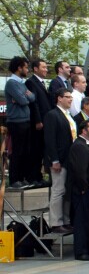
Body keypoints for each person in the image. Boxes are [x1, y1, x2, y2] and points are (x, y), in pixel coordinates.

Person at [68, 120, 89, 260]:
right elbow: (80, 170)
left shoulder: (88, 145)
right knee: (82, 221)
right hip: (83, 190)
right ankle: (81, 251)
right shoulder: (79, 146)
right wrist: (84, 187)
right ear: (84, 130)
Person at [44, 88, 77, 232]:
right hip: (59, 160)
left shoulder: (68, 115)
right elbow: (50, 139)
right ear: (59, 98)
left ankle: (66, 220)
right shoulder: (52, 115)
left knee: (67, 191)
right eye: (67, 97)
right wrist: (54, 160)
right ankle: (56, 222)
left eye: (71, 97)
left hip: (70, 159)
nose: (70, 99)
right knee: (58, 190)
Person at [5, 56, 36, 188]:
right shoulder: (11, 83)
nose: (27, 70)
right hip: (16, 122)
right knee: (17, 151)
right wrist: (24, 96)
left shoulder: (21, 83)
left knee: (25, 151)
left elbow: (32, 97)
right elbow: (23, 100)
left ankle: (22, 177)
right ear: (19, 68)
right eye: (26, 67)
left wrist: (23, 96)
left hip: (25, 121)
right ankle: (14, 180)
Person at [26, 59, 52, 186]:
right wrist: (38, 120)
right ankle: (33, 177)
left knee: (41, 149)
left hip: (45, 121)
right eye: (43, 67)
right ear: (35, 68)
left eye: (46, 67)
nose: (46, 70)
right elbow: (34, 102)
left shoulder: (42, 83)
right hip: (38, 122)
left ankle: (38, 176)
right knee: (35, 149)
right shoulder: (31, 82)